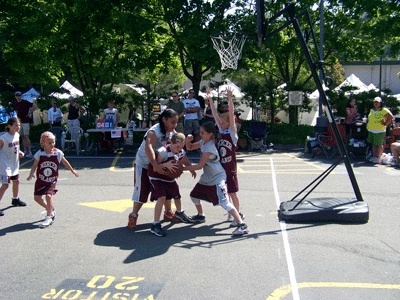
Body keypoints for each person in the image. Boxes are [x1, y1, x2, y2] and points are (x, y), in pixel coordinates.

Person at [184, 121, 249, 236]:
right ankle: (201, 215)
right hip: (207, 177)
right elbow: (190, 147)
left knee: (224, 202)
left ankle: (241, 224)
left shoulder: (209, 146)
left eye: (203, 133)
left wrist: (181, 169)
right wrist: (187, 140)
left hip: (217, 177)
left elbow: (199, 166)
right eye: (200, 132)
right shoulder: (203, 142)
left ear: (210, 134)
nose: (200, 134)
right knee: (194, 195)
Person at [127, 109, 179, 231]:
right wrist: (155, 164)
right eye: (172, 122)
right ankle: (133, 215)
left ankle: (168, 212)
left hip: (160, 162)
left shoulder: (172, 132)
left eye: (176, 122)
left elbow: (177, 144)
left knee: (166, 186)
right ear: (164, 119)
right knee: (142, 191)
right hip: (145, 164)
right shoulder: (154, 131)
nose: (174, 125)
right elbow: (148, 147)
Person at [207, 87, 245, 227]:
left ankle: (238, 215)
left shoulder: (232, 134)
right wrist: (210, 99)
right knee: (226, 192)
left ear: (229, 122)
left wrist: (230, 98)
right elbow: (216, 116)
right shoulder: (222, 131)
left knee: (233, 193)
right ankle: (232, 212)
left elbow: (232, 118)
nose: (221, 123)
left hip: (231, 168)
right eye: (221, 122)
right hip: (221, 168)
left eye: (224, 122)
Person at [27, 131, 79, 228]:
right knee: (37, 198)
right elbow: (35, 165)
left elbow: (65, 162)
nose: (52, 144)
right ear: (43, 143)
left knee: (48, 196)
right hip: (41, 180)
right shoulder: (39, 154)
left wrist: (73, 171)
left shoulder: (58, 153)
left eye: (53, 142)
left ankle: (48, 217)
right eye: (49, 143)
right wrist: (31, 174)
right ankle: (50, 209)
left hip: (52, 180)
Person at [148, 132, 196, 237]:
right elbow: (155, 166)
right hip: (156, 177)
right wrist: (166, 164)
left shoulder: (180, 152)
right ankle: (155, 224)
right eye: (177, 146)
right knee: (162, 197)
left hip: (168, 178)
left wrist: (191, 169)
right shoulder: (163, 152)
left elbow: (185, 161)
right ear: (171, 143)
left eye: (181, 146)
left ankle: (179, 213)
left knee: (177, 195)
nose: (179, 149)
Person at [0, 117, 26, 216]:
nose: (18, 127)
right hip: (5, 164)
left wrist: (19, 152)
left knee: (16, 181)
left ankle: (15, 199)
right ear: (9, 126)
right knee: (5, 185)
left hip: (14, 163)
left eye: (19, 125)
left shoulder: (17, 135)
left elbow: (15, 146)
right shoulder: (4, 138)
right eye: (16, 125)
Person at [366, 96, 393, 164]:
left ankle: (378, 157)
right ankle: (374, 156)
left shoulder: (383, 110)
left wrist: (386, 124)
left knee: (379, 144)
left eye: (377, 102)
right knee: (374, 144)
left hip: (379, 130)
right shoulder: (372, 110)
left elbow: (391, 117)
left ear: (380, 103)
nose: (376, 103)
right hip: (371, 129)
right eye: (375, 102)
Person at [12, 91, 37, 158]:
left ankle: (29, 151)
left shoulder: (25, 102)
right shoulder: (15, 104)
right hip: (19, 122)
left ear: (21, 96)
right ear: (15, 96)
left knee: (26, 136)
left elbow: (35, 106)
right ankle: (25, 151)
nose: (18, 97)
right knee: (22, 136)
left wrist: (30, 112)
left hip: (25, 121)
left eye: (19, 95)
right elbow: (16, 112)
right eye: (17, 96)